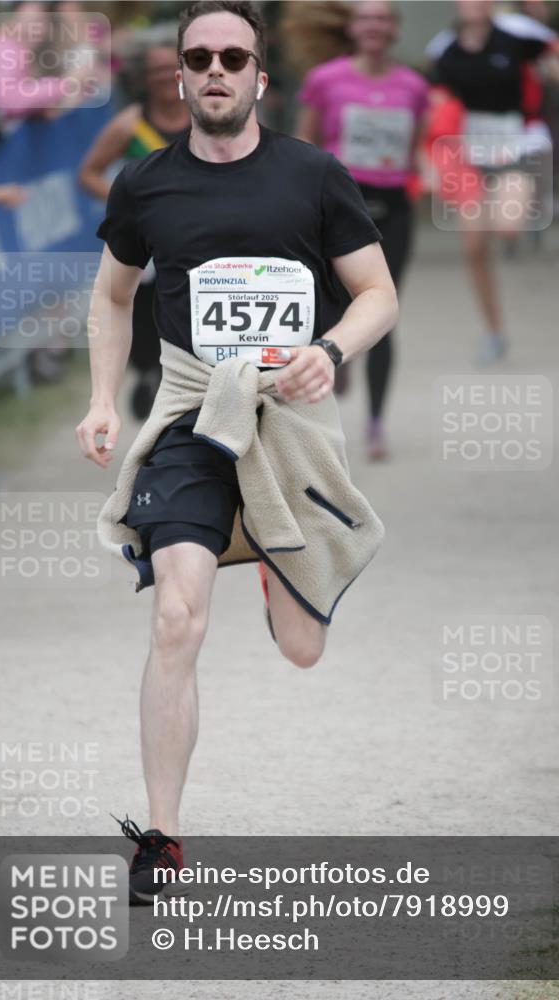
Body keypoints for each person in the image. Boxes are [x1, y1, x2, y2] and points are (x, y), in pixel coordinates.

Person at [75, 0, 397, 904]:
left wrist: (328, 352)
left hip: (287, 420)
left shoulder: (315, 175)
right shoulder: (144, 183)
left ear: (261, 75)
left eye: (234, 56)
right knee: (177, 617)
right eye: (199, 56)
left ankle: (263, 555)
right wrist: (103, 399)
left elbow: (377, 293)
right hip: (187, 414)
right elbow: (111, 298)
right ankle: (163, 838)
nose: (216, 69)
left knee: (301, 649)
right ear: (179, 73)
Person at [425, 0, 559, 364]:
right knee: (474, 247)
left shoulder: (517, 32)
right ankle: (494, 332)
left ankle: (531, 206)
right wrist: (427, 154)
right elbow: (433, 98)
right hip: (468, 152)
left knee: (506, 227)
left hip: (519, 143)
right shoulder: (442, 48)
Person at [295, 0, 428, 461]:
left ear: (394, 28)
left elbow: (415, 149)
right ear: (352, 28)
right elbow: (304, 144)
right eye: (366, 18)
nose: (374, 26)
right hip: (336, 206)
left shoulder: (413, 86)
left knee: (384, 313)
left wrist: (425, 173)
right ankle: (335, 352)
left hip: (391, 210)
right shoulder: (325, 80)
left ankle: (375, 426)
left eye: (383, 18)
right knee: (324, 309)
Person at [78, 28, 190, 419]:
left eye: (169, 69)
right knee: (141, 309)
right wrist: (126, 199)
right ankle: (147, 374)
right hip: (149, 240)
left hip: (200, 236)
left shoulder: (205, 116)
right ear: (142, 77)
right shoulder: (130, 125)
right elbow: (88, 173)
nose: (162, 77)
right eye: (154, 70)